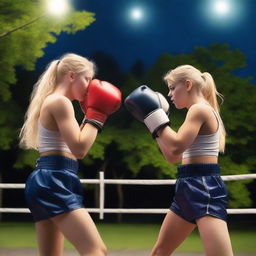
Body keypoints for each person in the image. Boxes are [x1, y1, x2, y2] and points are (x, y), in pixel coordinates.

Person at [19, 53, 122, 256]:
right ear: (72, 76)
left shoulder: (55, 101)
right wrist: (97, 114)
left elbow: (76, 143)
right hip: (54, 178)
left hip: (48, 178)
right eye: (87, 79)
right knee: (96, 250)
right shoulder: (60, 102)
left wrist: (89, 115)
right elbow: (80, 149)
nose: (90, 85)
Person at [125, 65, 233, 256]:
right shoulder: (195, 112)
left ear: (188, 84)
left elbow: (175, 146)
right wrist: (154, 122)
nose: (169, 94)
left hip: (204, 186)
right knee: (159, 252)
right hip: (187, 186)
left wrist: (154, 116)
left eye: (173, 88)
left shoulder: (199, 110)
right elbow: (172, 156)